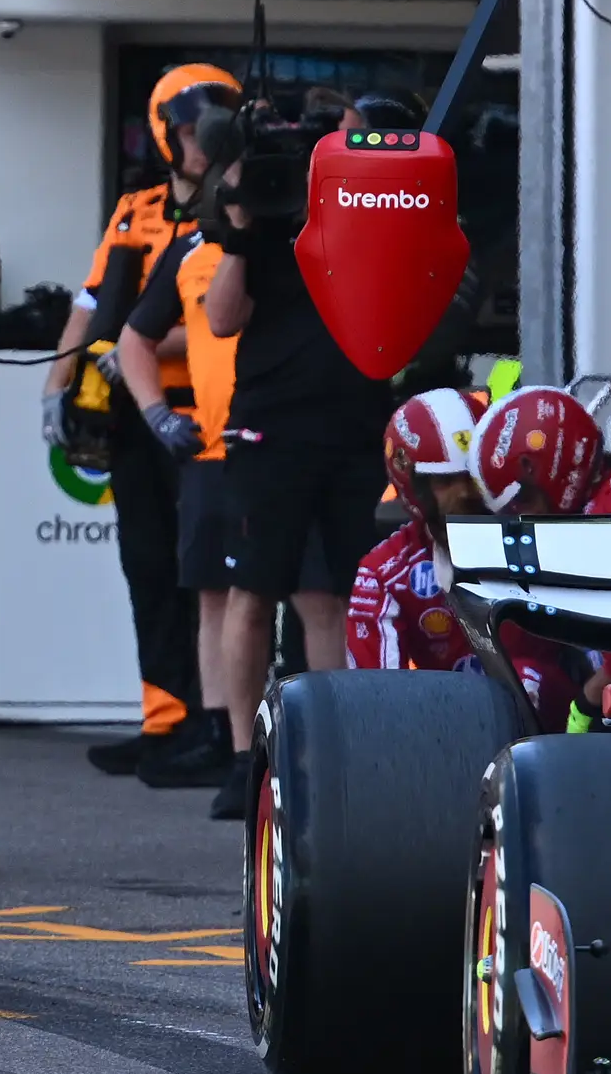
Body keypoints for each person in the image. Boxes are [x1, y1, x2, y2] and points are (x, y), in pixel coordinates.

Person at [200, 93, 408, 819]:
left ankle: (342, 749)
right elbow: (222, 320)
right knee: (253, 592)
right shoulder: (260, 223)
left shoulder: (370, 215)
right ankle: (239, 757)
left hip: (354, 427)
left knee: (339, 598)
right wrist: (239, 232)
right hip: (270, 431)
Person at [54, 64, 233, 777]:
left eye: (210, 131)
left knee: (208, 580)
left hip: (201, 414)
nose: (200, 146)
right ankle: (165, 720)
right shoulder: (137, 209)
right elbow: (92, 299)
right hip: (133, 416)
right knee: (149, 568)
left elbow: (216, 323)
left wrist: (144, 341)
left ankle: (216, 724)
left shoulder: (238, 214)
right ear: (166, 134)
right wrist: (57, 383)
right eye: (189, 132)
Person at [117, 202, 245, 799]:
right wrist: (157, 414)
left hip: (281, 446)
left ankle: (281, 739)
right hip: (209, 452)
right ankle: (219, 736)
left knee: (303, 597)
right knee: (212, 598)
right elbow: (132, 338)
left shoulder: (293, 237)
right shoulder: (190, 248)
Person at [345, 386, 487, 673]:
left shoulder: (549, 540)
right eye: (446, 481)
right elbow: (380, 699)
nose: (464, 493)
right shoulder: (383, 576)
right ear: (413, 488)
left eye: (473, 477)